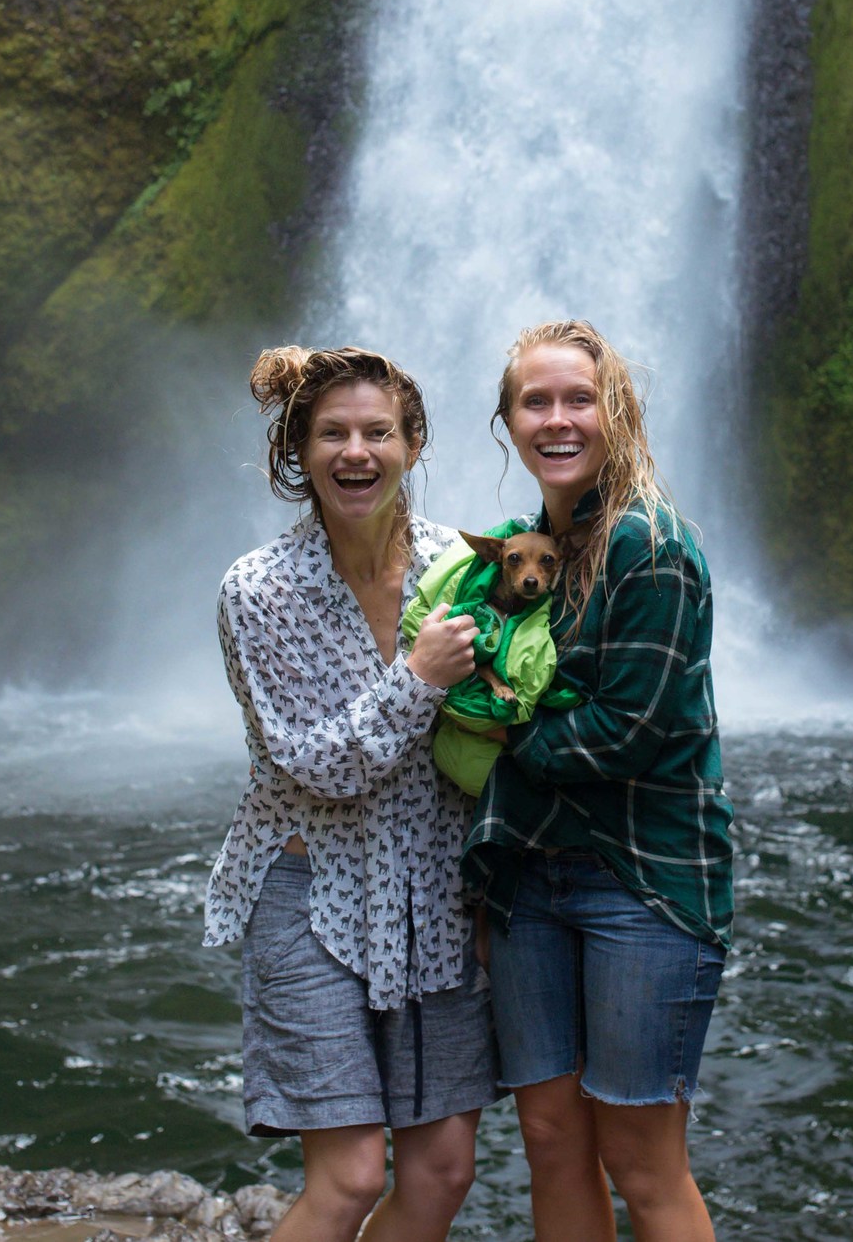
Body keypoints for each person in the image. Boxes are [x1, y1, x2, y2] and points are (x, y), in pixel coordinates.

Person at [203, 345, 492, 1242]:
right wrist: (419, 675)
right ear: (298, 450)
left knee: (442, 1171)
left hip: (438, 898)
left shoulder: (466, 569)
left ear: (413, 444)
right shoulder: (257, 589)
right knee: (352, 1174)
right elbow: (312, 763)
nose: (355, 451)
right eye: (332, 432)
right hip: (309, 889)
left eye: (377, 430)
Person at [463, 319, 734, 1242]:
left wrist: (496, 728)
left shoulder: (650, 545)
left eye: (579, 397)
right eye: (535, 401)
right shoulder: (532, 550)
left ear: (616, 411)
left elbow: (622, 734)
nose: (558, 417)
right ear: (507, 421)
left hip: (642, 880)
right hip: (532, 879)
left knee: (641, 1153)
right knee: (549, 1135)